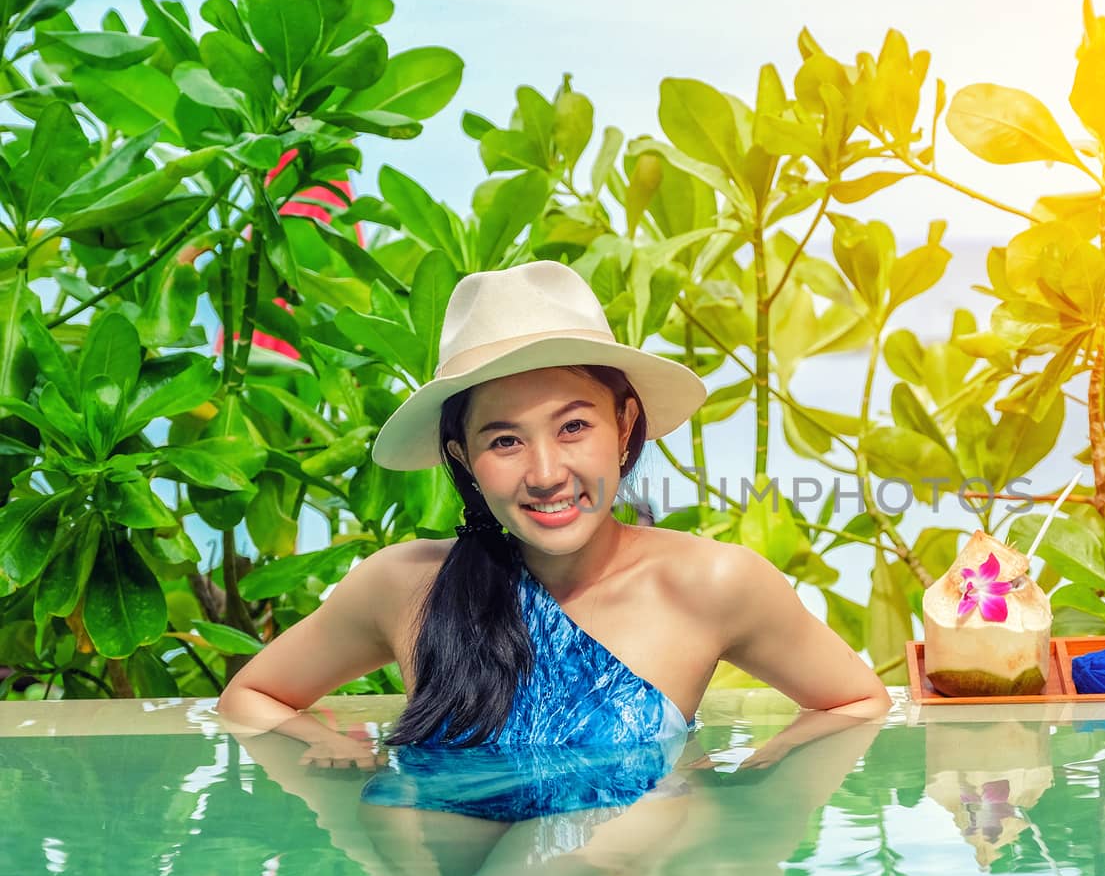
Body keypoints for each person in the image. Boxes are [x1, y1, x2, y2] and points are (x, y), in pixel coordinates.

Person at [218, 260, 892, 765]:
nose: (545, 474)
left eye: (573, 427)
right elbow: (250, 700)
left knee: (628, 812)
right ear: (464, 461)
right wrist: (340, 765)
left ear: (626, 426)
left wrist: (730, 808)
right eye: (504, 440)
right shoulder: (403, 587)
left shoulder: (710, 584)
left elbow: (858, 704)